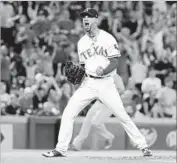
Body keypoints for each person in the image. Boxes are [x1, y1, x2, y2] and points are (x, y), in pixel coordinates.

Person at [42, 8, 152, 157]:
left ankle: (143, 146)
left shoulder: (108, 38)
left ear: (96, 20)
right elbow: (83, 66)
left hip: (106, 83)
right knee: (68, 112)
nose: (85, 19)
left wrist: (105, 70)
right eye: (83, 17)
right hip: (88, 83)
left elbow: (114, 61)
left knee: (122, 115)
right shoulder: (81, 42)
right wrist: (77, 74)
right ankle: (61, 148)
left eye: (89, 17)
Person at [71, 74, 125, 151]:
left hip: (110, 104)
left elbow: (122, 90)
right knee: (87, 120)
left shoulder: (116, 77)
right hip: (99, 102)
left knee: (96, 123)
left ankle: (109, 137)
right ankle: (77, 144)